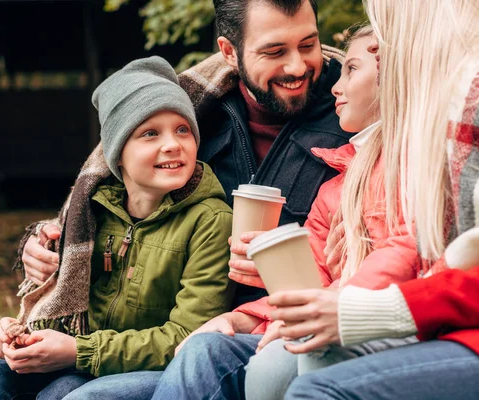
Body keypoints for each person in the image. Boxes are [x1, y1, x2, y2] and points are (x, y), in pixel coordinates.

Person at [19, 0, 351, 310]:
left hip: (285, 325)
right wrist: (46, 241)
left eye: (308, 45)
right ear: (229, 52)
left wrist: (299, 263)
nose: (297, 66)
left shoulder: (358, 111)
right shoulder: (194, 113)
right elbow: (116, 202)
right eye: (274, 51)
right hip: (178, 323)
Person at [150, 24, 419, 400]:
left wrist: (333, 300)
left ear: (397, 74)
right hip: (314, 321)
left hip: (376, 324)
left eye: (351, 69)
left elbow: (407, 248)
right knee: (200, 349)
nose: (336, 86)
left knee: (269, 364)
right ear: (230, 51)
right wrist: (240, 318)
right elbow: (310, 277)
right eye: (274, 51)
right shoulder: (336, 185)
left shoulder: (417, 163)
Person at [0, 56, 235, 400]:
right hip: (80, 353)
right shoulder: (91, 210)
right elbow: (56, 300)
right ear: (117, 154)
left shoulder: (210, 220)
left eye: (183, 130)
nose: (173, 144)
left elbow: (188, 335)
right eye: (150, 133)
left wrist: (78, 351)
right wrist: (21, 338)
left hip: (148, 368)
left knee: (61, 393)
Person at [257, 0, 479, 398]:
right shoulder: (342, 176)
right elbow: (313, 264)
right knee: (219, 353)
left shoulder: (452, 117)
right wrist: (249, 317)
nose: (335, 85)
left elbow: (412, 250)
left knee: (305, 376)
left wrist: (348, 304)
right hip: (431, 314)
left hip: (441, 322)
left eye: (384, 31)